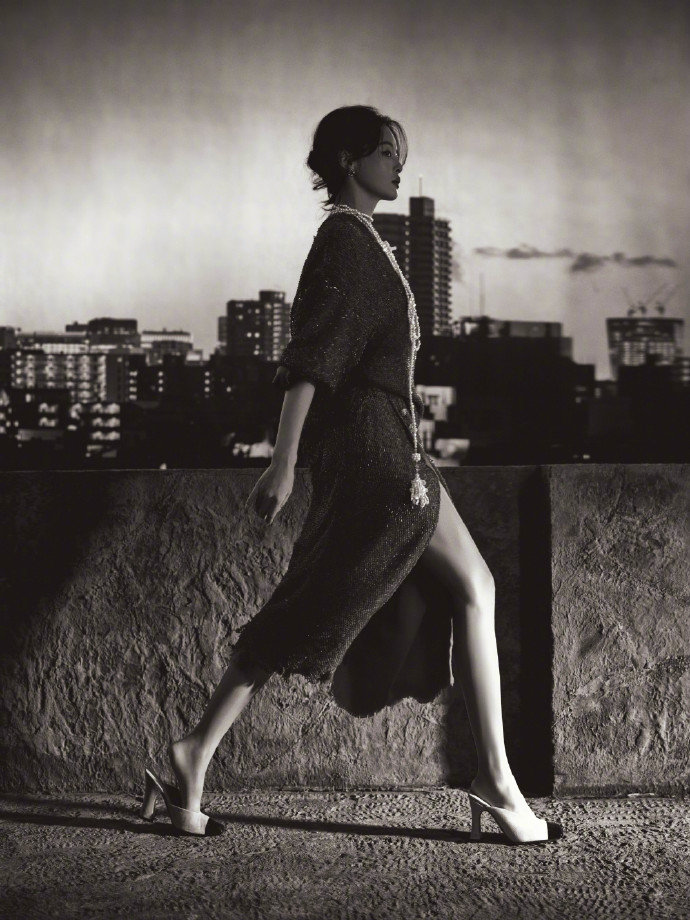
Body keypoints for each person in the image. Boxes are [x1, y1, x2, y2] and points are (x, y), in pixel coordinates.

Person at [140, 105, 563, 844]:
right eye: (386, 152)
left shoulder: (361, 240)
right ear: (348, 159)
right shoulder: (345, 242)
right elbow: (312, 361)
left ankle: (195, 754)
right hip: (379, 466)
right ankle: (494, 782)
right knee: (363, 599)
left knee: (438, 589)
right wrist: (282, 462)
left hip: (392, 452)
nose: (399, 164)